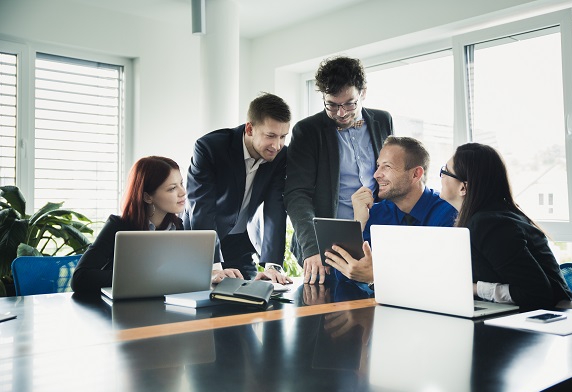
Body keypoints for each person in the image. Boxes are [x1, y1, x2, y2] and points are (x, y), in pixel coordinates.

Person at [284, 55, 393, 285]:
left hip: (378, 238)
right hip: (327, 243)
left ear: (363, 92)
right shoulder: (307, 131)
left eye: (349, 103)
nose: (341, 113)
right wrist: (312, 247)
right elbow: (297, 194)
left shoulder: (383, 120)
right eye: (331, 105)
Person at [439, 142, 572, 310]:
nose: (441, 176)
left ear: (463, 187)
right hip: (533, 316)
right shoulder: (491, 216)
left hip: (557, 319)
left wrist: (474, 288)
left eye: (445, 171)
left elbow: (537, 294)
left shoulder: (490, 224)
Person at [71, 156, 242, 295]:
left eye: (181, 184)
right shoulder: (118, 226)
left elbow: (180, 274)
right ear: (147, 197)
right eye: (172, 188)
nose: (183, 192)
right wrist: (148, 277)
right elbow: (80, 278)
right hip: (120, 312)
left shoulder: (178, 227)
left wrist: (209, 275)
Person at [184, 92, 291, 284]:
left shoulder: (280, 155)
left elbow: (275, 206)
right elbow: (201, 207)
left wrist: (273, 265)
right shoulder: (210, 148)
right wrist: (212, 266)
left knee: (253, 301)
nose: (277, 145)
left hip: (240, 244)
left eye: (283, 136)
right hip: (202, 241)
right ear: (250, 129)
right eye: (271, 136)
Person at [324, 136, 456, 287]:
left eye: (387, 167)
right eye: (378, 166)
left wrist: (377, 276)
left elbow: (440, 278)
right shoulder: (375, 213)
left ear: (416, 174)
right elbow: (344, 276)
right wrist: (358, 222)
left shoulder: (448, 214)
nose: (376, 174)